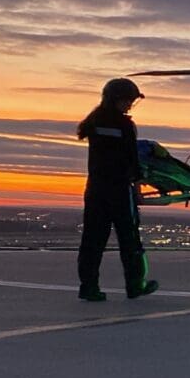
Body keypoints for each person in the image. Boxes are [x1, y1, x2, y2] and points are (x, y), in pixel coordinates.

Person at [75, 78, 159, 301]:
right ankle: (135, 285)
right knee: (130, 239)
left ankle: (88, 287)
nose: (130, 105)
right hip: (119, 190)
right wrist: (138, 187)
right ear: (116, 99)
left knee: (92, 241)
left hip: (95, 189)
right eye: (128, 101)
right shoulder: (124, 125)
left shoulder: (93, 122)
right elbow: (132, 160)